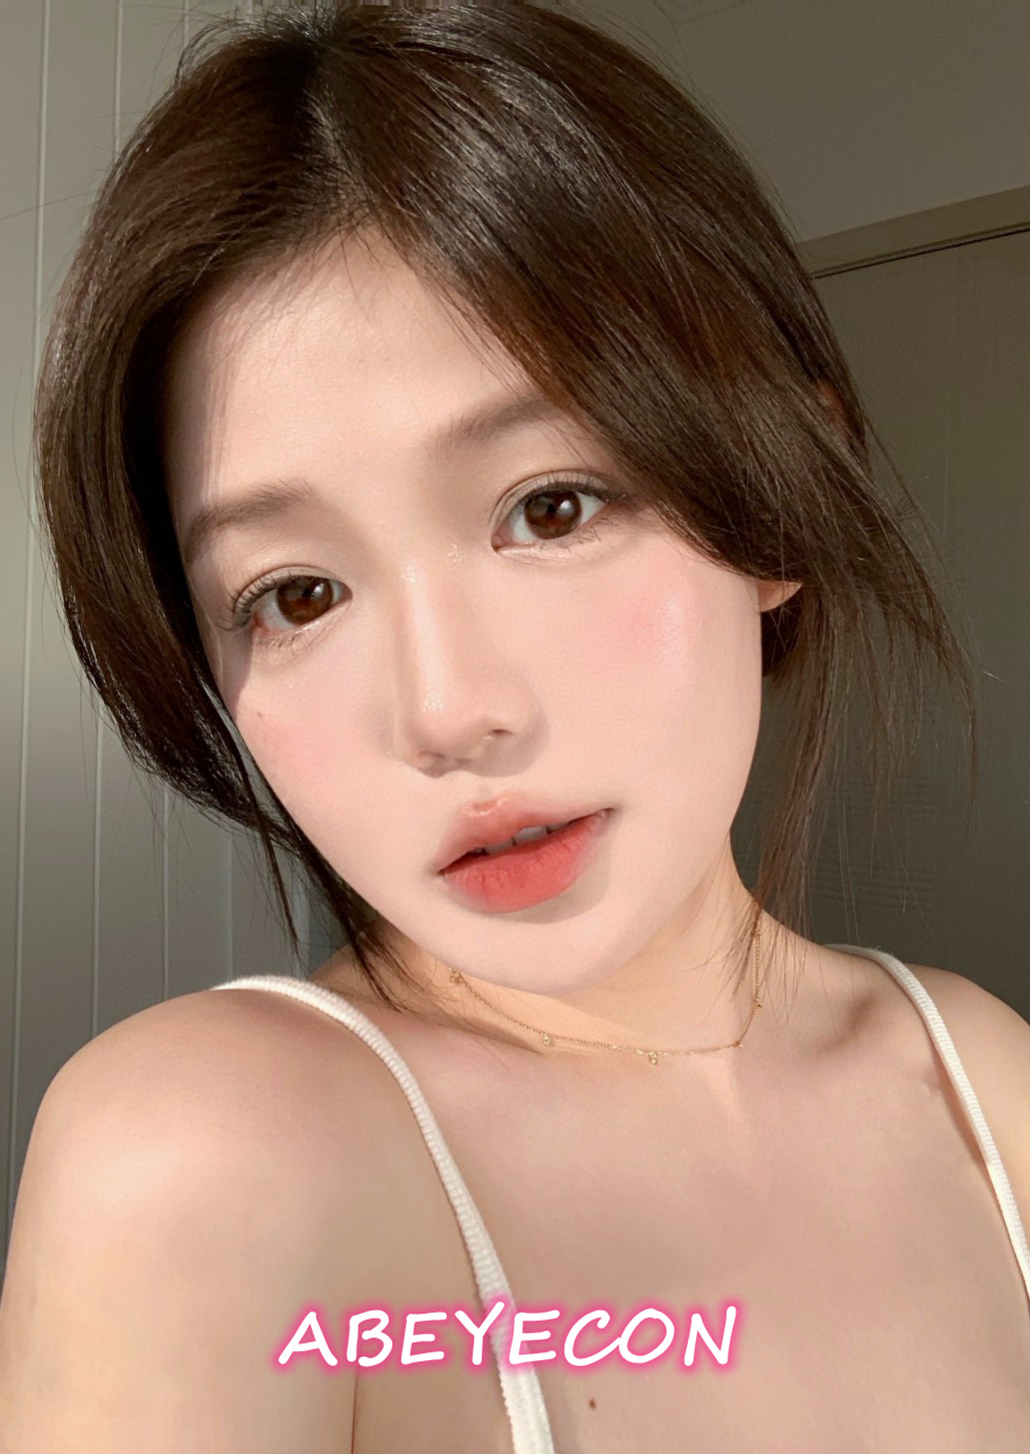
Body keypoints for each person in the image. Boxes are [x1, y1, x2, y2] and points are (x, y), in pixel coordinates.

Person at [1, 2, 1028, 1448]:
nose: (448, 712)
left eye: (551, 507)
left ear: (784, 486)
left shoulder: (983, 1082)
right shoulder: (212, 1159)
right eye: (296, 594)